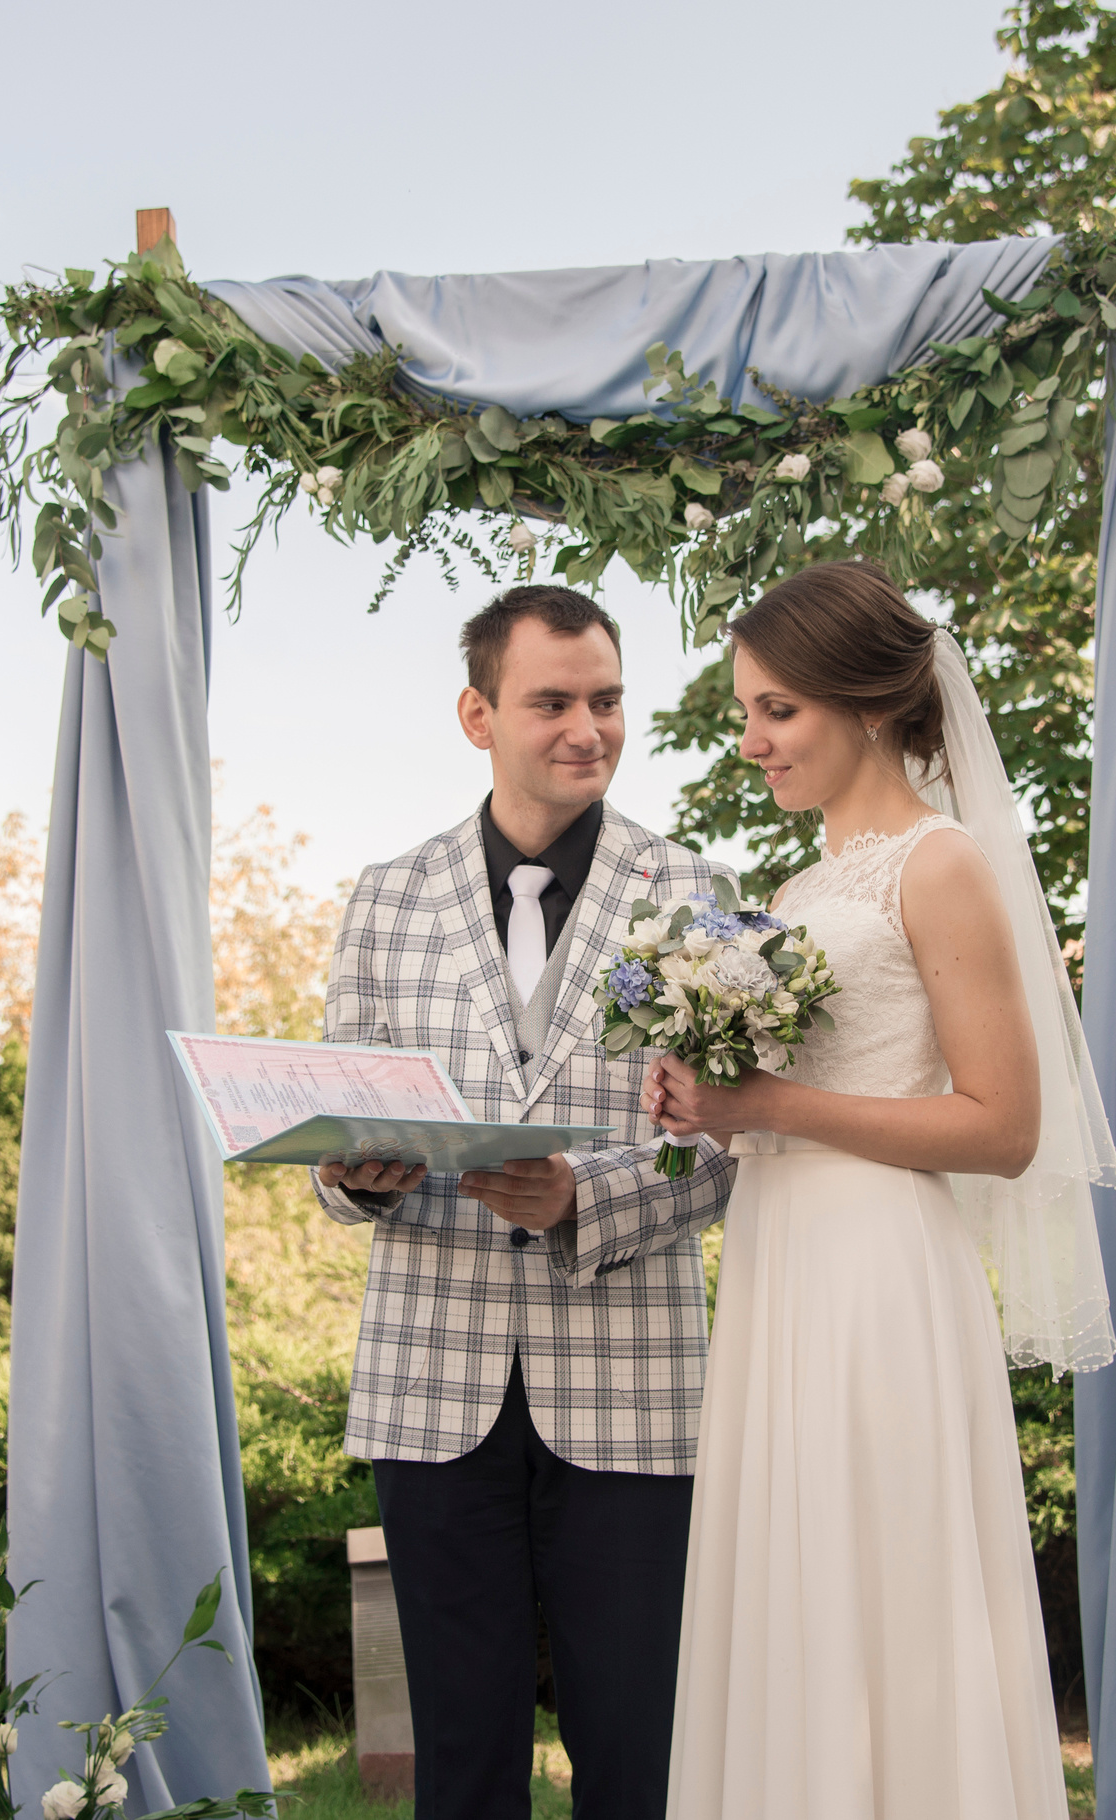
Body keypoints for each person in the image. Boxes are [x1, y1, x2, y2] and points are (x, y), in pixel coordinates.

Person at [642, 560, 1116, 1820]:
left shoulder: (941, 861)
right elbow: (783, 1108)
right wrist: (707, 1105)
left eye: (776, 710)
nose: (752, 742)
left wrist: (768, 1106)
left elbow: (1004, 1124)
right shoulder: (795, 894)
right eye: (748, 713)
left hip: (879, 1282)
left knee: (887, 1592)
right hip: (779, 1264)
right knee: (794, 1588)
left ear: (863, 701)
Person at [309, 584, 738, 1820]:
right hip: (428, 1387)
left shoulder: (692, 891)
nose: (587, 728)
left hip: (634, 1391)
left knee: (638, 1752)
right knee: (461, 1757)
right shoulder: (387, 896)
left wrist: (578, 1199)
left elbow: (721, 1147)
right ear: (476, 712)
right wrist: (355, 1175)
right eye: (552, 700)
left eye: (606, 699)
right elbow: (344, 1112)